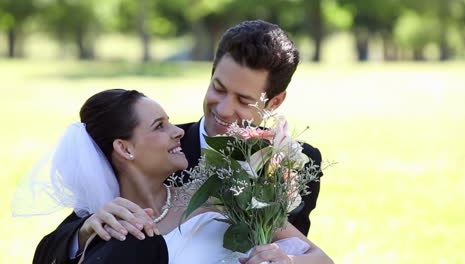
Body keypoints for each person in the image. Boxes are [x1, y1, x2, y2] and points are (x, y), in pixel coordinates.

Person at [33, 20, 324, 263]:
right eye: (218, 88)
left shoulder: (292, 162)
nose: (222, 109)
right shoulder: (161, 152)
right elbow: (60, 243)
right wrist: (82, 232)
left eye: (243, 100)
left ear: (275, 102)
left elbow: (299, 250)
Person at [31, 89, 332, 264]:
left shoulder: (223, 193)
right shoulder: (104, 225)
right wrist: (84, 235)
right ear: (125, 148)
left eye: (170, 122)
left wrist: (288, 261)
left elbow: (322, 259)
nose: (178, 132)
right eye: (159, 126)